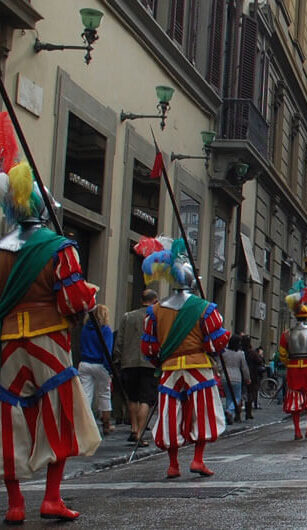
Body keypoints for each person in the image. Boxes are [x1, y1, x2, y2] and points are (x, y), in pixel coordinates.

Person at [0, 153, 101, 523]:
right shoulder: (59, 247)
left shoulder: (0, 248)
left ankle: (13, 505)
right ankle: (51, 498)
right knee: (59, 416)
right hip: (48, 342)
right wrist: (88, 298)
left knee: (8, 421)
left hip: (7, 343)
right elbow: (73, 299)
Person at [136, 236, 230, 479]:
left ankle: (173, 464)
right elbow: (217, 341)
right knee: (203, 414)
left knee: (170, 415)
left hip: (169, 369)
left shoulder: (155, 310)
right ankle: (198, 459)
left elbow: (148, 348)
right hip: (198, 367)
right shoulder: (205, 308)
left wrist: (160, 362)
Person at [278, 280, 307, 440]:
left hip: (293, 368)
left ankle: (297, 430)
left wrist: (288, 364)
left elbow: (282, 354)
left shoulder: (286, 334)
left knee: (295, 399)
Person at [114, 289, 159, 445]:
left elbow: (119, 341)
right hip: (149, 363)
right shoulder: (155, 318)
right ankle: (140, 432)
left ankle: (133, 428)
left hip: (129, 362)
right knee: (145, 399)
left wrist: (119, 359)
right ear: (155, 301)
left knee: (132, 397)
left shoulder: (128, 317)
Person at [78, 304, 115, 435]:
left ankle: (84, 425)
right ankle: (106, 424)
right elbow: (107, 350)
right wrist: (110, 369)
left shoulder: (85, 329)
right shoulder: (105, 330)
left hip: (85, 363)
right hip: (100, 364)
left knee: (86, 395)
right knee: (104, 394)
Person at [220, 336, 250, 425]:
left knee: (229, 397)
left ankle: (230, 415)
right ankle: (229, 410)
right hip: (236, 377)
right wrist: (247, 378)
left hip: (225, 377)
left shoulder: (224, 352)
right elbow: (244, 368)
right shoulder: (241, 354)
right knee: (237, 397)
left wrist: (220, 372)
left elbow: (219, 364)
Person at [244, 344, 265, 419]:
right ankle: (248, 411)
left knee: (244, 393)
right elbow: (260, 362)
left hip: (243, 375)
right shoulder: (253, 354)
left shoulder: (242, 352)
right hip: (253, 376)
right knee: (251, 393)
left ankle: (237, 412)